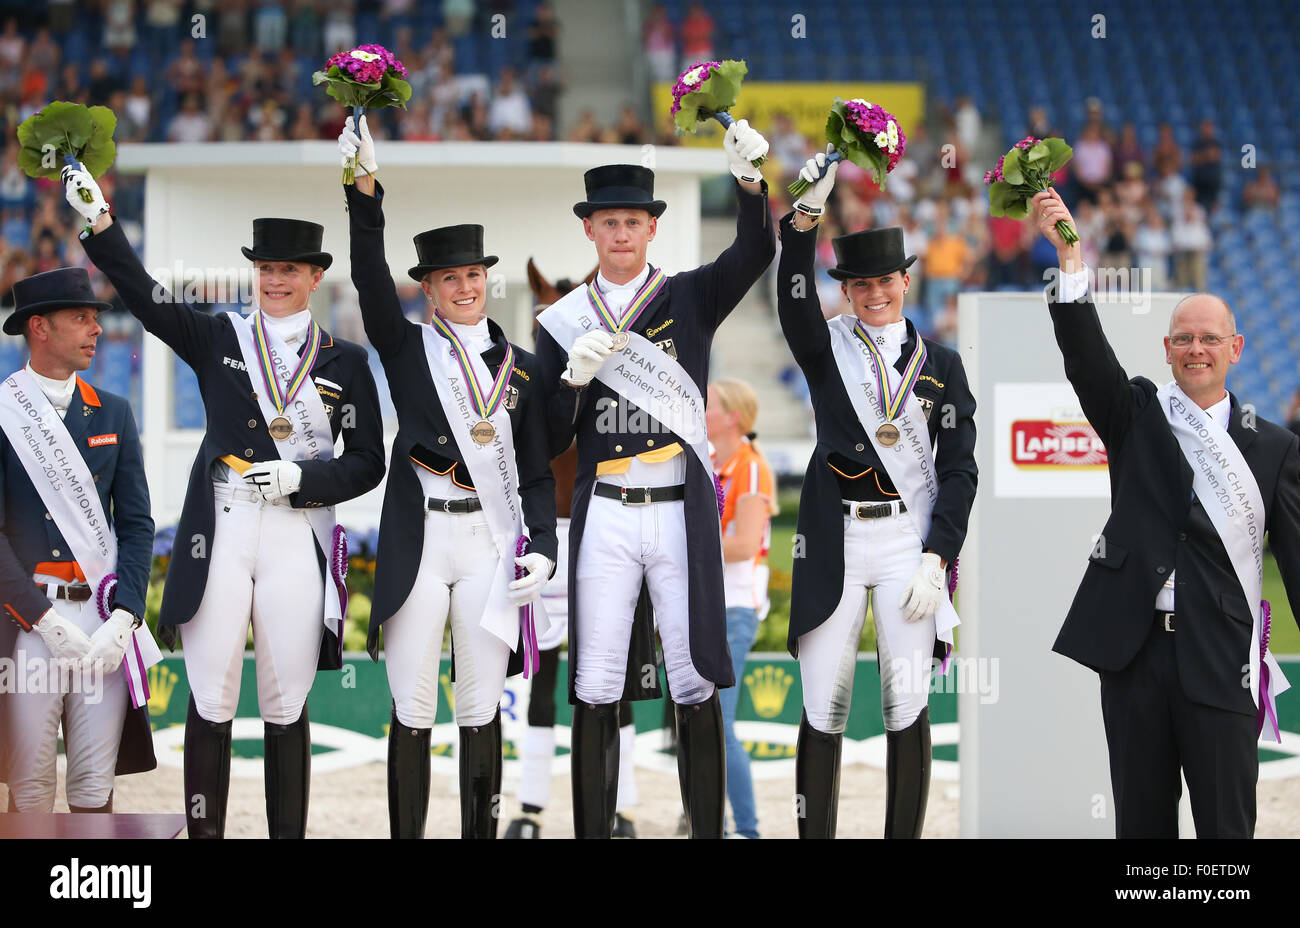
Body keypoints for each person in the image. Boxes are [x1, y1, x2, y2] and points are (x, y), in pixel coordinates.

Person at [63, 166, 386, 838]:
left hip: (297, 529)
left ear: (313, 277)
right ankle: (206, 836)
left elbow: (368, 464)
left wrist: (304, 479)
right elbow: (147, 301)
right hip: (225, 523)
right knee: (210, 698)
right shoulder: (218, 337)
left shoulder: (346, 362)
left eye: (289, 270)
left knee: (284, 700)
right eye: (266, 268)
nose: (275, 281)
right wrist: (101, 225)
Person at [1034, 187, 1300, 838]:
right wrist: (1072, 257)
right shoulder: (1134, 417)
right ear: (1167, 348)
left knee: (1225, 830)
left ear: (1235, 348)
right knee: (1142, 830)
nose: (1196, 349)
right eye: (1183, 339)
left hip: (1223, 656)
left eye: (1209, 339)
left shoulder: (1275, 447)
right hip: (1136, 658)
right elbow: (1086, 361)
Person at [534, 117, 774, 838]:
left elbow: (758, 247)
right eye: (608, 223)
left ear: (650, 230)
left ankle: (705, 830)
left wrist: (750, 183)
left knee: (693, 677)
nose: (620, 235)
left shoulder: (690, 297)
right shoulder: (561, 322)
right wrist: (572, 386)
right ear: (590, 232)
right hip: (605, 506)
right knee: (596, 681)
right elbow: (547, 437)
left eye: (632, 222)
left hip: (675, 503)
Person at [339, 117, 556, 838]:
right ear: (428, 290)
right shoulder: (405, 348)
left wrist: (543, 545)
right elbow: (370, 280)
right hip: (423, 537)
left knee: (480, 707)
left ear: (486, 282)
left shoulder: (523, 367)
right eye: (448, 279)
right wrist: (363, 194)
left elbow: (533, 471)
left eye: (473, 275)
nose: (464, 287)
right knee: (412, 707)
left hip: (491, 545)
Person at [777, 151, 977, 839]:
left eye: (885, 281)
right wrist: (804, 218)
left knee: (907, 703)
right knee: (821, 705)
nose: (874, 294)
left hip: (905, 542)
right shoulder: (825, 346)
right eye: (860, 285)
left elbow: (959, 471)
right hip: (834, 536)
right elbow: (792, 295)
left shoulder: (943, 366)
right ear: (849, 290)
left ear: (903, 281)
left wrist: (937, 554)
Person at [0, 267, 157, 812]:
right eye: (81, 318)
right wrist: (39, 619)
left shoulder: (113, 410)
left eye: (96, 318)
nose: (96, 329)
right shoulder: (3, 413)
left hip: (98, 621)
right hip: (28, 622)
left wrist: (126, 615)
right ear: (39, 328)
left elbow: (136, 524)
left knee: (94, 786)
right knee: (30, 786)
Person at [706, 377, 775, 839]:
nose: (699, 408)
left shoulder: (750, 467)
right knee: (707, 727)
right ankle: (716, 823)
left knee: (721, 729)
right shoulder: (713, 460)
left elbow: (745, 544)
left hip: (734, 608)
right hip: (709, 606)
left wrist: (687, 541)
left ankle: (746, 831)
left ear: (732, 416)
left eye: (707, 403)